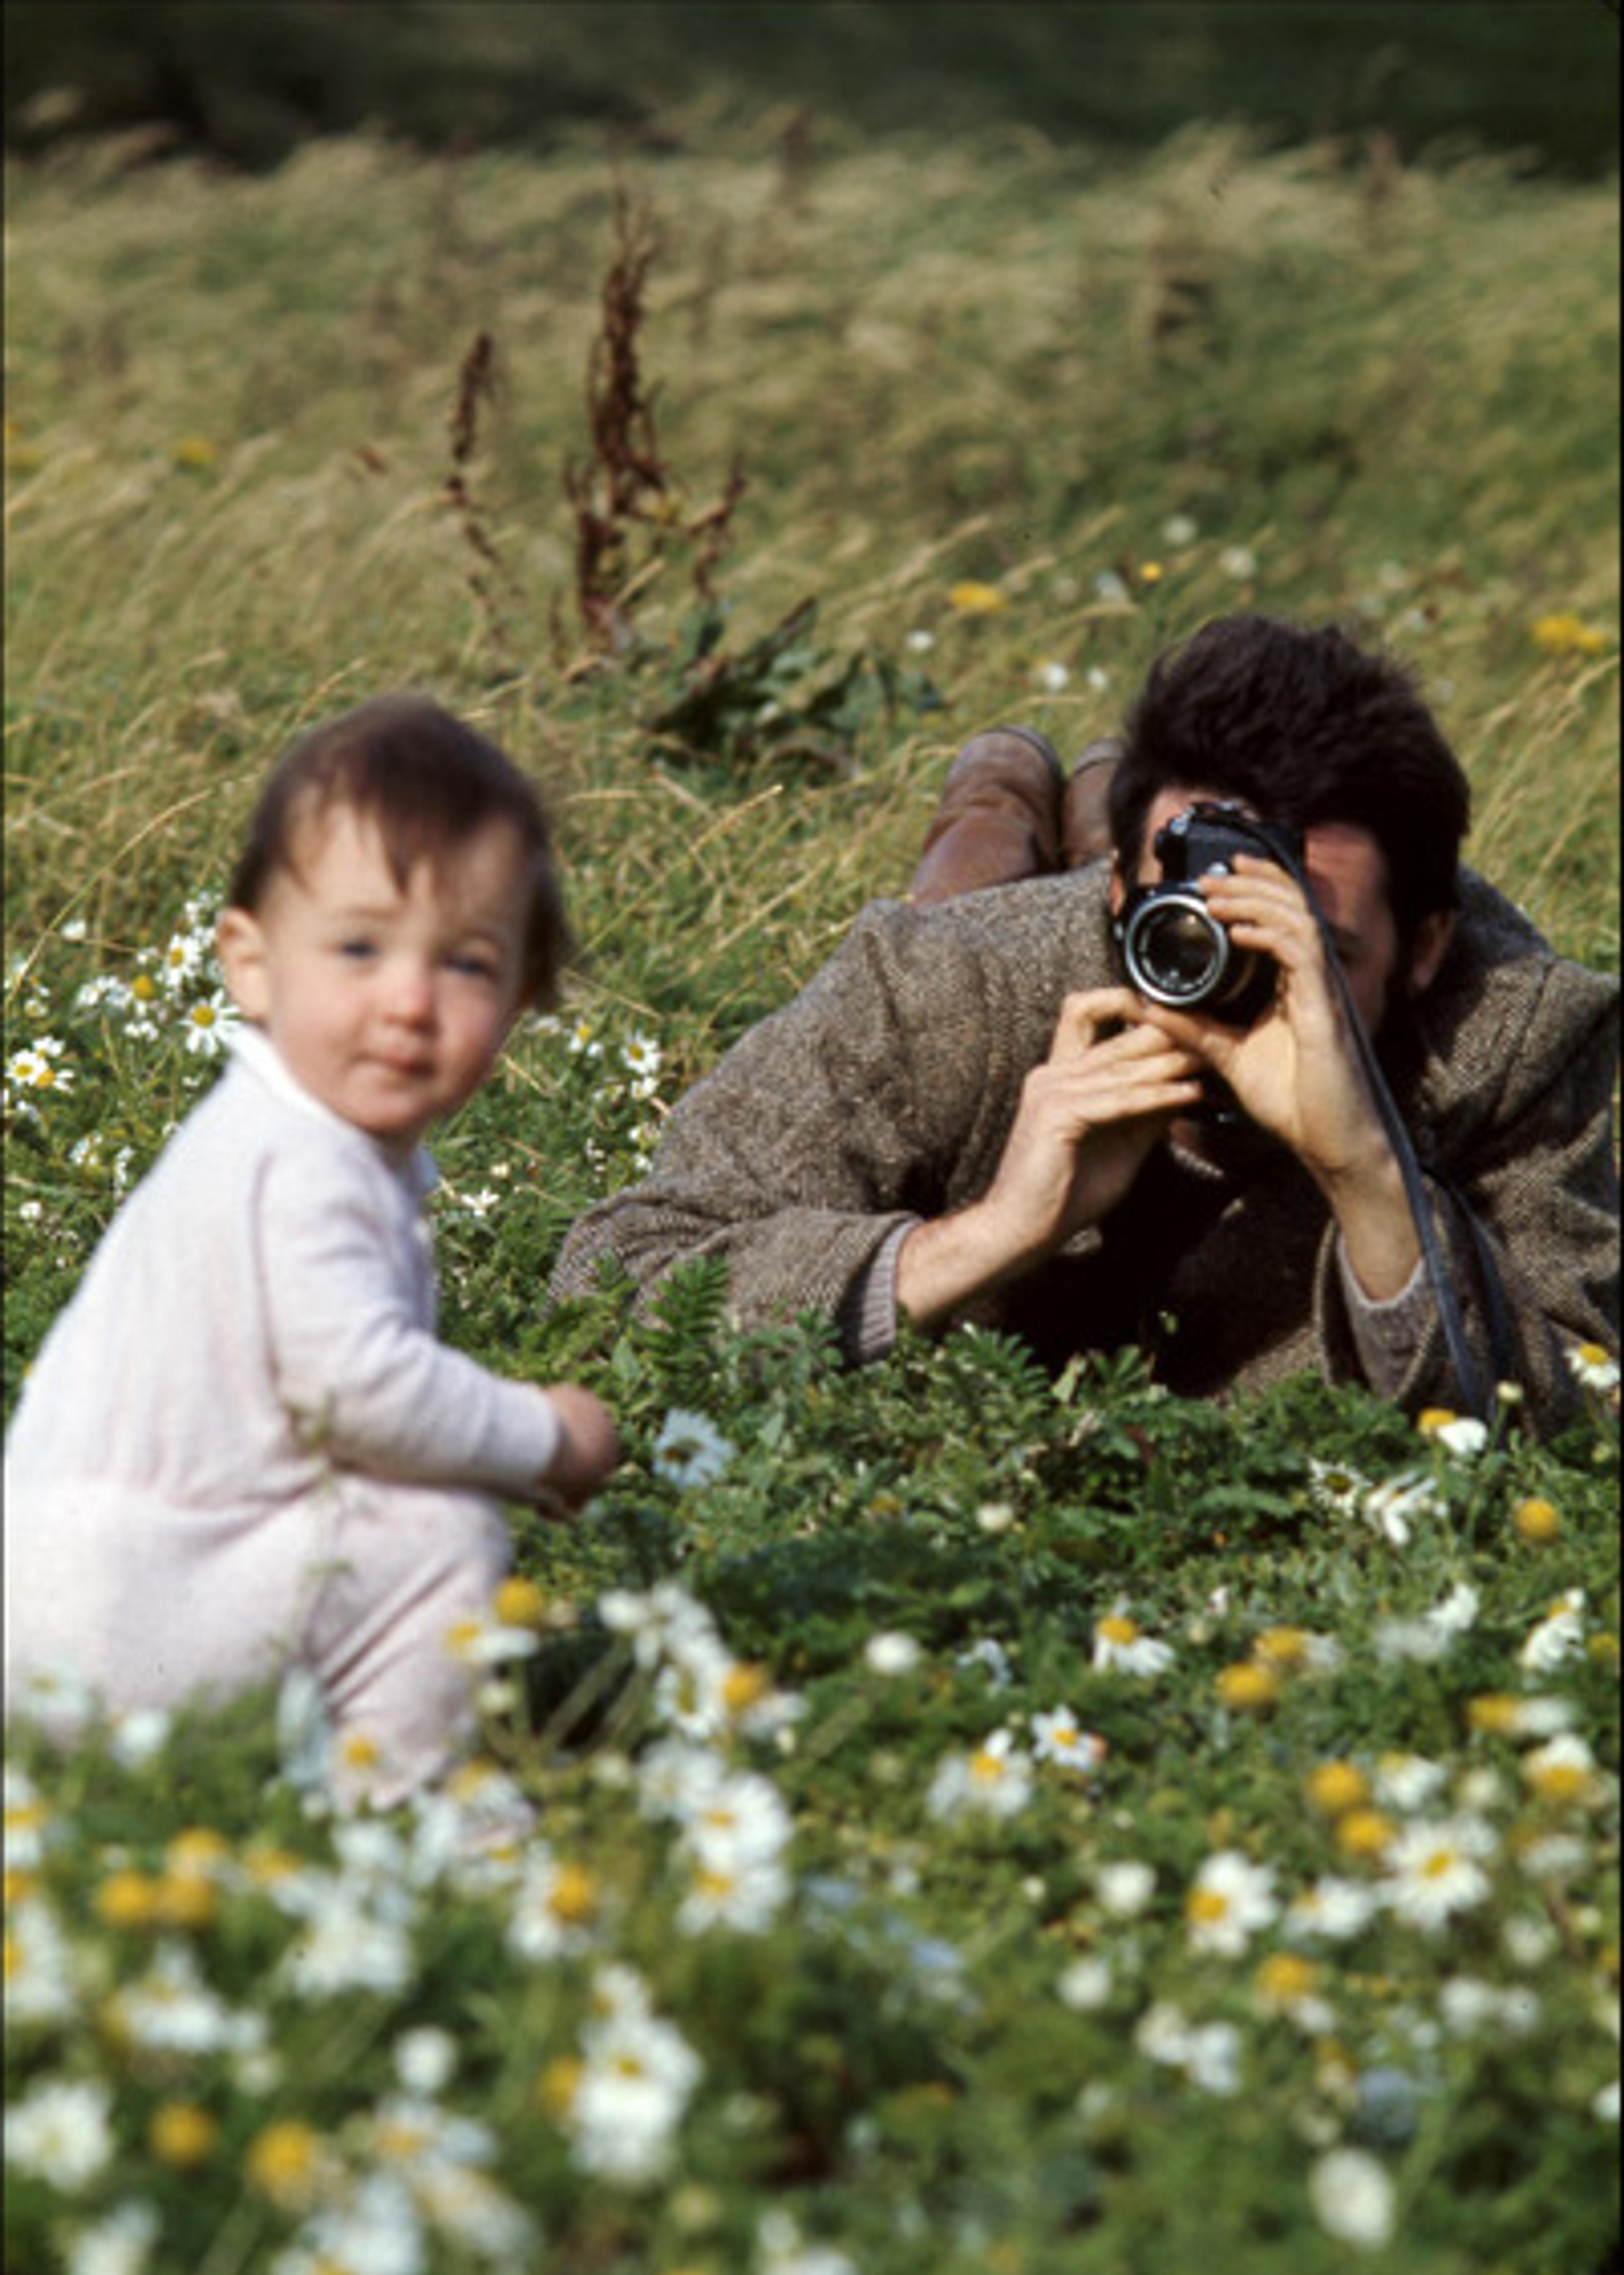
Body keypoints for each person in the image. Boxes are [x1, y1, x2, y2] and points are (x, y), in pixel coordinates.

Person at [551, 615, 1619, 1440]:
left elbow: (1587, 1405)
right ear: (1118, 891)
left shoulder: (1510, 1031)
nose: (1229, 982)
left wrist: (1370, 1172)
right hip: (1014, 941)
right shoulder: (948, 979)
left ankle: (1089, 798)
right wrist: (996, 1228)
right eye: (1184, 931)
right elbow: (617, 1275)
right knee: (966, 909)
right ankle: (998, 800)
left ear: (1425, 948)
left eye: (1306, 950)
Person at [5, 695, 620, 1808]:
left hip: (97, 1594)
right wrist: (545, 1436)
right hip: (113, 1616)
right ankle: (403, 1808)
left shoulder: (288, 1137)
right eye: (358, 947)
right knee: (439, 1531)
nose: (409, 1002)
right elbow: (358, 1393)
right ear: (250, 965)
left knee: (388, 1511)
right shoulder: (301, 1165)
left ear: (519, 999)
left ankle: (280, 1768)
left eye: (467, 963)